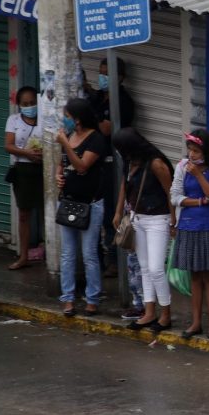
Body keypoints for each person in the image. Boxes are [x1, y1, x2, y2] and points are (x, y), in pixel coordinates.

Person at [112, 128, 176, 332]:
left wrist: (174, 220)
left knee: (156, 268)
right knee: (145, 268)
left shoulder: (155, 162)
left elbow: (170, 192)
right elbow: (124, 185)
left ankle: (166, 314)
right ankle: (149, 312)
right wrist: (118, 211)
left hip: (158, 219)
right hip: (137, 218)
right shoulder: (130, 161)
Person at [170, 129, 209, 340]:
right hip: (187, 226)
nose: (192, 155)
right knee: (194, 276)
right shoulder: (181, 166)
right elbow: (175, 196)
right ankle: (196, 322)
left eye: (196, 150)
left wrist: (197, 176)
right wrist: (198, 201)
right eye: (190, 150)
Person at [55, 98, 107, 317]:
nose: (65, 121)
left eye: (67, 116)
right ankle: (67, 299)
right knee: (67, 254)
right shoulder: (68, 136)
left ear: (78, 118)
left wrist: (65, 144)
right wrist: (58, 175)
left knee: (89, 254)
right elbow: (63, 163)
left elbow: (82, 167)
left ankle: (92, 299)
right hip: (67, 201)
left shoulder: (96, 139)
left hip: (90, 204)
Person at [89, 57, 136, 277]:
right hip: (92, 164)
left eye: (107, 74)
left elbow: (106, 129)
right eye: (101, 72)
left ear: (120, 77)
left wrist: (92, 118)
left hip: (112, 165)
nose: (103, 77)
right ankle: (96, 259)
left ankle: (115, 261)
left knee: (111, 215)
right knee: (90, 214)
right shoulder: (96, 97)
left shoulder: (124, 102)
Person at [4, 86, 44, 270]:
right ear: (19, 105)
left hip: (44, 168)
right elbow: (9, 145)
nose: (29, 106)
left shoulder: (45, 119)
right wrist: (26, 153)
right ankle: (23, 256)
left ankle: (51, 253)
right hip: (23, 170)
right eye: (25, 104)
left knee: (50, 212)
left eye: (32, 103)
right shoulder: (13, 120)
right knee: (24, 215)